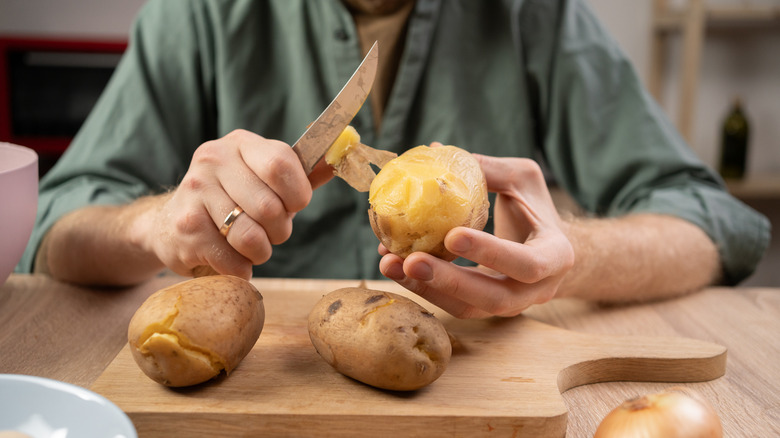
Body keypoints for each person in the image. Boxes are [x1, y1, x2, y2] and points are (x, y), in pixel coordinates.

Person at [18, 0, 770, 318]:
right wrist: (153, 226)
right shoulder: (200, 14)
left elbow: (713, 222)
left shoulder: (535, 13)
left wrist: (572, 257)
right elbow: (48, 227)